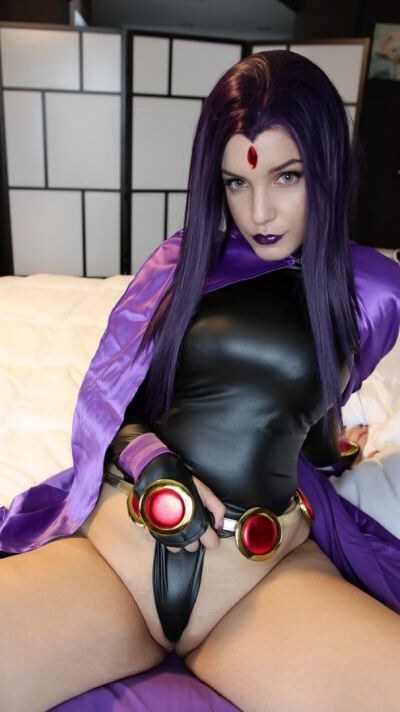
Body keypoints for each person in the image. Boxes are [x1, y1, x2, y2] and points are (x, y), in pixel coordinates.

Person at [1, 49, 400, 712]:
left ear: (327, 167)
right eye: (236, 182)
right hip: (120, 556)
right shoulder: (184, 262)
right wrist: (147, 457)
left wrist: (332, 450)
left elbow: (310, 402)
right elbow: (108, 403)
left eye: (287, 176)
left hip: (262, 579)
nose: (259, 211)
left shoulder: (376, 293)